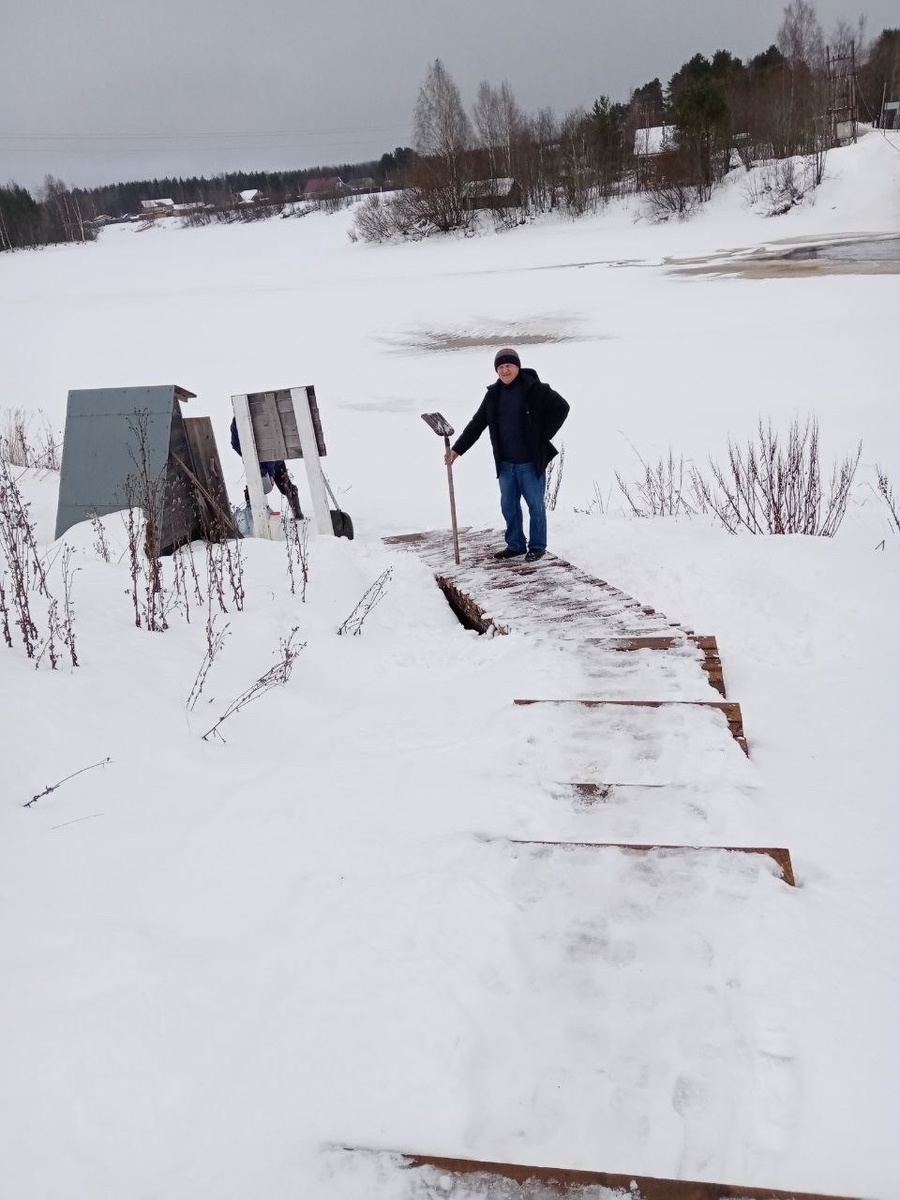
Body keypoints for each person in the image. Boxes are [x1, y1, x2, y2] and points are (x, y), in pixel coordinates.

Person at [444, 347, 569, 562]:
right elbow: (477, 424)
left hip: (530, 462)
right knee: (508, 506)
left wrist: (543, 434)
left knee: (535, 506)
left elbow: (562, 407)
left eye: (508, 366)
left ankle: (537, 546)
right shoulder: (493, 395)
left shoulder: (535, 388)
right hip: (506, 465)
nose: (504, 371)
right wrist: (457, 450)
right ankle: (516, 545)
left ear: (517, 366)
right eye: (500, 367)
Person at [230, 417, 303, 519]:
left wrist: (270, 472)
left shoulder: (245, 417)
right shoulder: (241, 418)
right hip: (260, 462)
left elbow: (270, 445)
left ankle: (298, 516)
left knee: (284, 486)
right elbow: (235, 443)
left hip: (271, 460)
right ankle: (256, 519)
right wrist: (248, 458)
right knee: (253, 491)